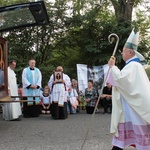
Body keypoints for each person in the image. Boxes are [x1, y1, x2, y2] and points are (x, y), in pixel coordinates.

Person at [108, 29, 150, 150]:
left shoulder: (133, 66)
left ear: (130, 52)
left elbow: (121, 80)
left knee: (141, 142)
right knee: (120, 141)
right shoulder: (134, 66)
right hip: (131, 108)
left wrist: (112, 66)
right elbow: (122, 83)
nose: (121, 53)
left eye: (124, 51)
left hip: (134, 109)